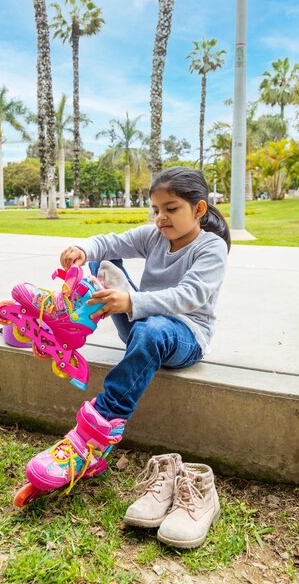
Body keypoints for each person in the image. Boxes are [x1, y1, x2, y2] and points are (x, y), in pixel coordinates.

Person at [24, 166, 230, 544]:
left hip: (185, 336)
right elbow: (111, 243)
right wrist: (83, 249)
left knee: (150, 330)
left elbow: (189, 297)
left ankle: (96, 436)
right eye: (155, 209)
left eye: (171, 209)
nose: (160, 218)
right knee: (103, 264)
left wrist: (130, 301)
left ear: (199, 209)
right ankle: (68, 320)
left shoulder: (210, 246)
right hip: (143, 323)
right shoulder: (155, 235)